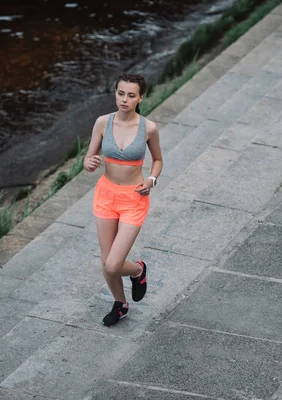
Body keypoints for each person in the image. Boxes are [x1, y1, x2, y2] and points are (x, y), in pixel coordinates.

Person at [83, 73, 163, 327]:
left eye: (131, 95)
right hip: (106, 196)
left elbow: (158, 160)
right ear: (115, 93)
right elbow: (88, 159)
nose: (124, 100)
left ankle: (138, 270)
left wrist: (151, 180)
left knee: (114, 263)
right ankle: (121, 304)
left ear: (141, 97)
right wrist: (89, 163)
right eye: (120, 93)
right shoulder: (102, 123)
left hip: (133, 198)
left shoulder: (148, 128)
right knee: (107, 265)